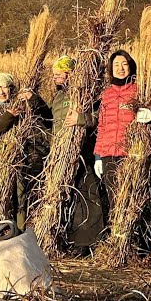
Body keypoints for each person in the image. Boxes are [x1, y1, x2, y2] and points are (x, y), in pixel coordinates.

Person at [0, 71, 53, 230]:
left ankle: (20, 230)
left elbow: (46, 115)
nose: (1, 92)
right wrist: (9, 115)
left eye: (4, 87)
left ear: (11, 88)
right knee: (1, 194)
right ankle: (0, 229)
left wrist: (32, 98)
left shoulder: (21, 104)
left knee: (20, 195)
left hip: (19, 157)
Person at [49, 54, 104, 253]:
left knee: (87, 197)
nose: (55, 78)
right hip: (60, 156)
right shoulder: (58, 96)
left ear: (71, 74)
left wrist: (80, 119)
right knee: (64, 197)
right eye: (54, 74)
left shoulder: (87, 95)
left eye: (59, 74)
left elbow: (100, 119)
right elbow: (50, 121)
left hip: (83, 154)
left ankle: (86, 242)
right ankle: (62, 239)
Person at [93, 50, 141, 215]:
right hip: (108, 155)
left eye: (124, 64)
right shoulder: (106, 94)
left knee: (132, 199)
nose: (120, 68)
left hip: (131, 153)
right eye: (116, 65)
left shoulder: (138, 90)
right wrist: (98, 156)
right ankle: (118, 236)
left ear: (131, 66)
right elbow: (102, 126)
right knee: (114, 199)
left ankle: (137, 238)